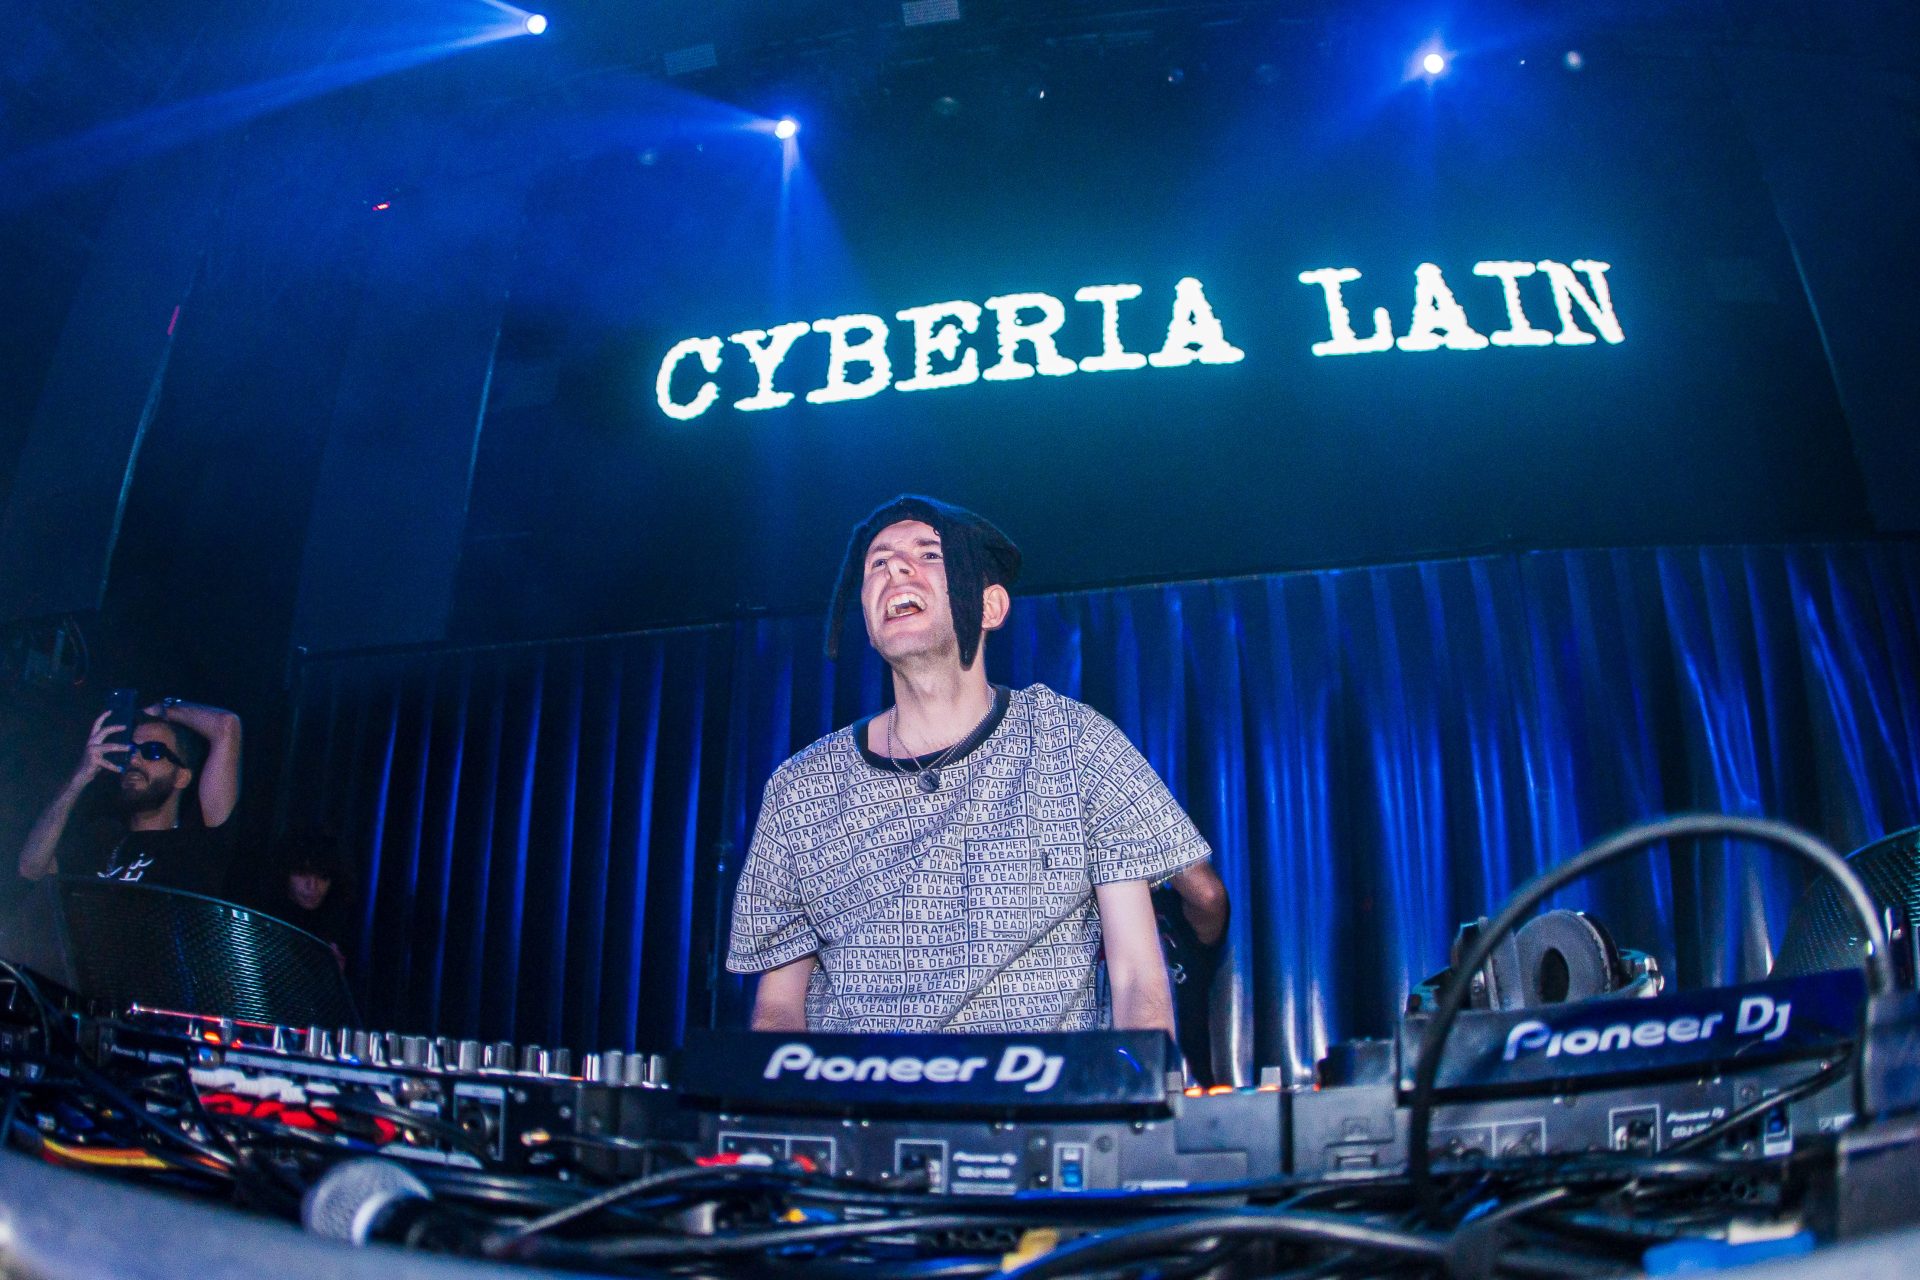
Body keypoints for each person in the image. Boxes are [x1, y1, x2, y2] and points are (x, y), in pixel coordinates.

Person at [726, 495, 1226, 1036]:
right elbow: (777, 1010)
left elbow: (1137, 982)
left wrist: (1137, 1087)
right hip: (865, 1089)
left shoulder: (1072, 742)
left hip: (1034, 1086)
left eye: (929, 554)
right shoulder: (801, 787)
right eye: (877, 562)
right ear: (867, 619)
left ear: (990, 607)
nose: (896, 568)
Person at [17, 697, 243, 897]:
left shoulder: (197, 845)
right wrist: (79, 777)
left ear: (181, 777)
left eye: (152, 751)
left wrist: (163, 709)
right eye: (131, 749)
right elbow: (31, 868)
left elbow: (226, 725)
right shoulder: (101, 837)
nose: (134, 759)